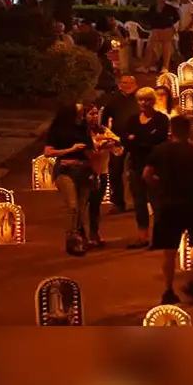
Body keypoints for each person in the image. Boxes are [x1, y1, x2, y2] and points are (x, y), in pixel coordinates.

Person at [143, 115, 193, 305]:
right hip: (191, 202)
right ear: (188, 131)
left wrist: (160, 185)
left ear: (170, 131)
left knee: (169, 250)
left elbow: (147, 175)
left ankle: (168, 289)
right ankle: (192, 281)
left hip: (167, 204)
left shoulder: (159, 150)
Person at [120, 87, 170, 249]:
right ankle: (143, 237)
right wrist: (139, 141)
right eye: (141, 100)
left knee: (157, 203)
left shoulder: (161, 119)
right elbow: (125, 141)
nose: (144, 103)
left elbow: (158, 141)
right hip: (135, 166)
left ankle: (160, 237)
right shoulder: (132, 120)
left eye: (148, 99)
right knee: (139, 203)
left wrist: (136, 139)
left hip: (155, 167)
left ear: (153, 101)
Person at [43, 104, 95, 257]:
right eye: (78, 113)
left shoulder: (83, 128)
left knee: (80, 207)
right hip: (65, 171)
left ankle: (79, 238)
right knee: (72, 206)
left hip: (84, 170)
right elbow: (48, 152)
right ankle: (72, 239)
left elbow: (90, 151)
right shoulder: (57, 130)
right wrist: (70, 150)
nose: (81, 116)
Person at [96, 75, 138, 214]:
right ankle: (118, 203)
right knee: (115, 171)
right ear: (119, 85)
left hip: (139, 140)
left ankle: (140, 201)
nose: (127, 85)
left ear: (135, 84)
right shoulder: (112, 101)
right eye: (124, 82)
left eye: (130, 82)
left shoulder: (140, 99)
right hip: (118, 140)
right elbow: (103, 122)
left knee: (138, 170)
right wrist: (107, 138)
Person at [85, 104, 122, 249]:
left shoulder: (104, 130)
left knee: (95, 206)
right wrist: (100, 145)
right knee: (81, 206)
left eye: (96, 114)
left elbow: (118, 146)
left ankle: (94, 233)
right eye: (91, 114)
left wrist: (112, 144)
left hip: (102, 172)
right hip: (86, 173)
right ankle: (81, 235)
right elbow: (89, 149)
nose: (94, 117)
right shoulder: (81, 133)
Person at [139, 0, 180, 74]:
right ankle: (146, 66)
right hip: (155, 29)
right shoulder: (153, 8)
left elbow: (177, 18)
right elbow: (148, 17)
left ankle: (165, 67)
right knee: (149, 48)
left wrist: (173, 29)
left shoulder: (170, 8)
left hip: (166, 29)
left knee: (166, 49)